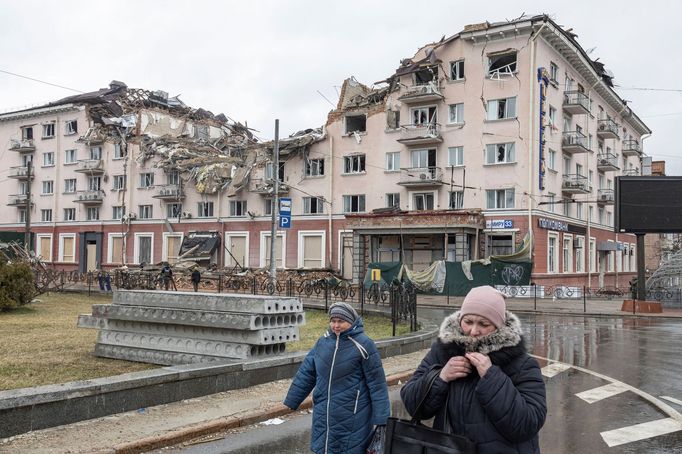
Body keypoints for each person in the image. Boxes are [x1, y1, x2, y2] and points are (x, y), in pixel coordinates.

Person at [400, 285, 547, 453]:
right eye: (468, 322)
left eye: (483, 324)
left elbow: (528, 424)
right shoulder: (442, 352)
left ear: (499, 326)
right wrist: (441, 377)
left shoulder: (522, 364)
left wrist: (492, 378)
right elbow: (412, 403)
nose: (473, 331)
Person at [284, 302, 390, 454]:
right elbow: (307, 372)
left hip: (353, 415)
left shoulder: (364, 345)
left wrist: (382, 418)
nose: (336, 325)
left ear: (352, 322)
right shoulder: (323, 342)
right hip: (323, 412)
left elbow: (377, 384)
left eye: (341, 321)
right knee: (324, 447)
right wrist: (292, 400)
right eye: (333, 321)